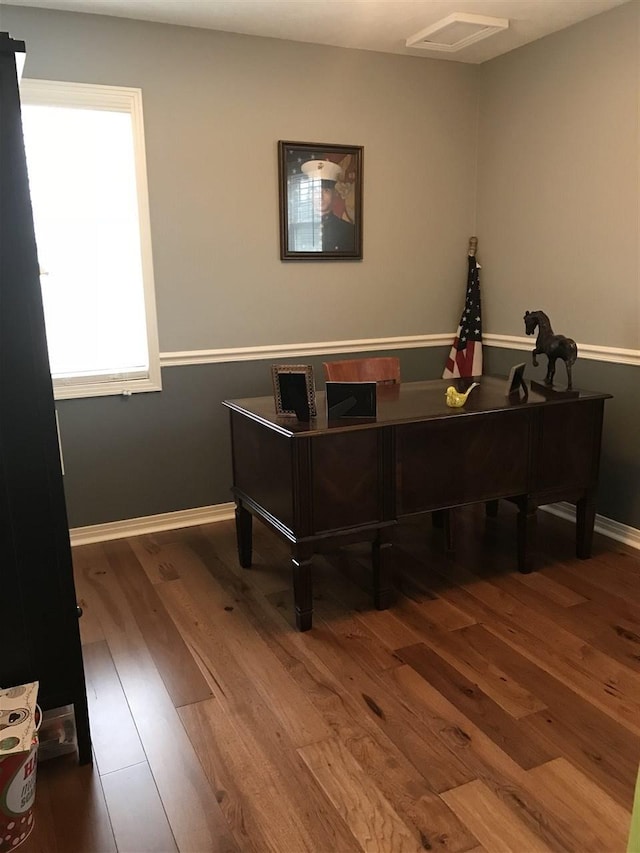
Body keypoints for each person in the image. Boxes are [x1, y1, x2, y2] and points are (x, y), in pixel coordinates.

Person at [300, 159, 356, 252]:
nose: (320, 196)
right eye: (316, 190)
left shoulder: (349, 231)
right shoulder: (299, 230)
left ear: (334, 194)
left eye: (326, 190)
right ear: (310, 194)